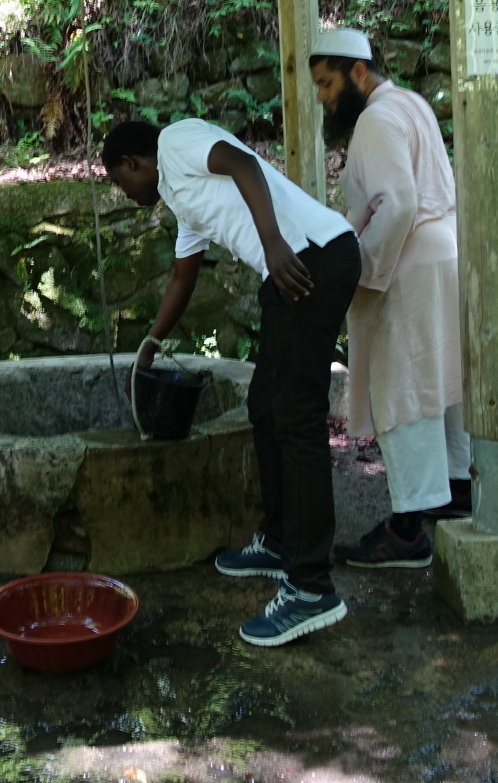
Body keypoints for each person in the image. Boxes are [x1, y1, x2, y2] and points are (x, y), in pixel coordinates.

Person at [102, 116, 359, 646]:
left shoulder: (175, 141)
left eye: (118, 182)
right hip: (287, 268)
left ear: (131, 162)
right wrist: (148, 346)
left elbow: (241, 163)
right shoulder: (181, 197)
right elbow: (183, 277)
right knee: (264, 405)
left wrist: (271, 243)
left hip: (309, 258)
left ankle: (310, 587)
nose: (123, 194)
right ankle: (282, 540)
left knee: (296, 416)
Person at [305, 28, 469, 571]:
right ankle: (458, 490)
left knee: (406, 388)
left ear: (358, 71)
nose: (324, 97)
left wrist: (363, 271)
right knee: (444, 381)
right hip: (445, 253)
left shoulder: (375, 117)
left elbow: (397, 203)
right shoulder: (411, 103)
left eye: (327, 83)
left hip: (410, 261)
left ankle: (407, 531)